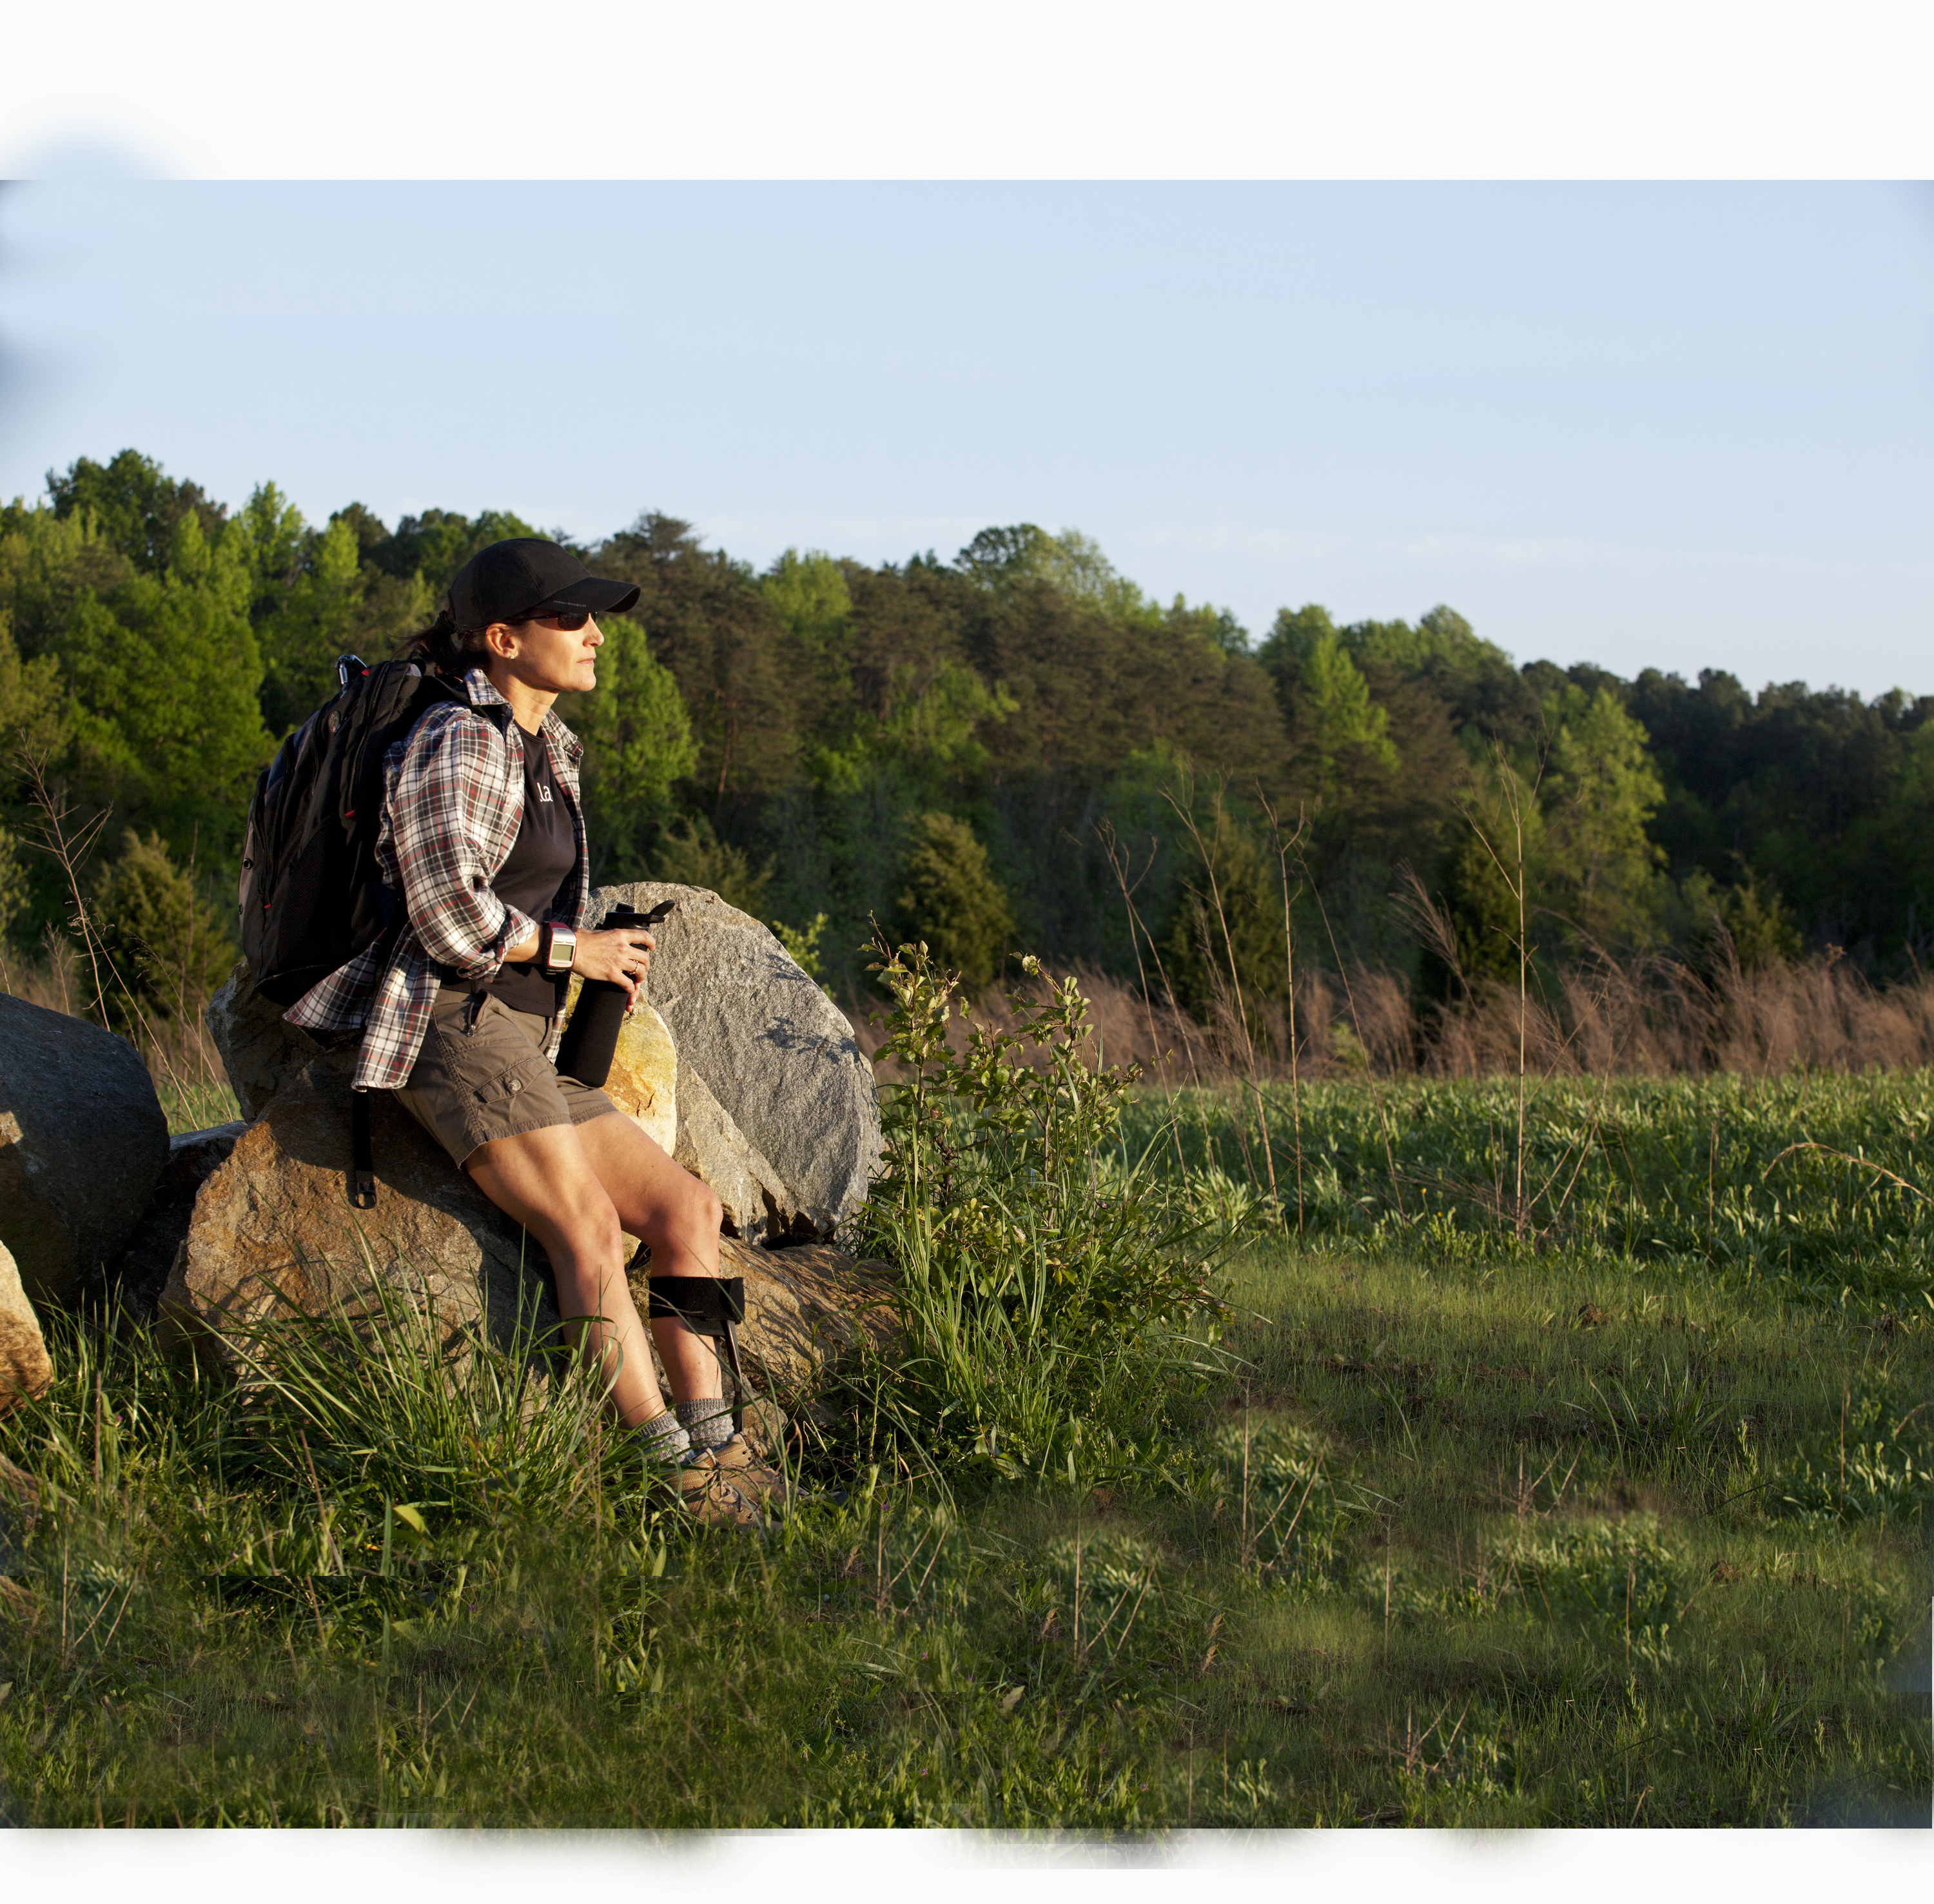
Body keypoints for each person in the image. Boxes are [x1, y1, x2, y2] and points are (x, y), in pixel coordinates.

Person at [286, 536, 776, 1528]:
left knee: (688, 1209)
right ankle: (673, 1475)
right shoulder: (456, 740)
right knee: (587, 1229)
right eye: (570, 619)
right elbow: (445, 916)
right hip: (447, 1027)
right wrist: (571, 952)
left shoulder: (549, 747)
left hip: (521, 1040)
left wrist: (593, 957)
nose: (596, 635)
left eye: (594, 617)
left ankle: (723, 1440)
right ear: (502, 639)